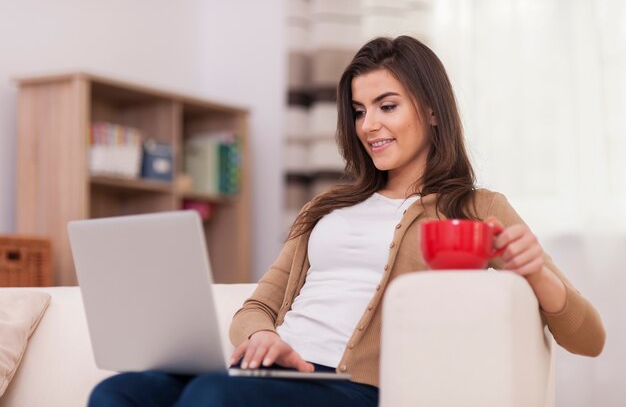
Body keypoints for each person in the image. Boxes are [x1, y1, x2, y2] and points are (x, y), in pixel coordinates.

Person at [88, 35, 605, 407]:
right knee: (118, 393)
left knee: (213, 394)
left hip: (349, 387)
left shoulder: (475, 208)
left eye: (386, 106)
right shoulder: (324, 208)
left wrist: (535, 271)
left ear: (430, 110)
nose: (369, 126)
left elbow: (589, 338)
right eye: (358, 111)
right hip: (270, 374)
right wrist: (266, 340)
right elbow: (257, 306)